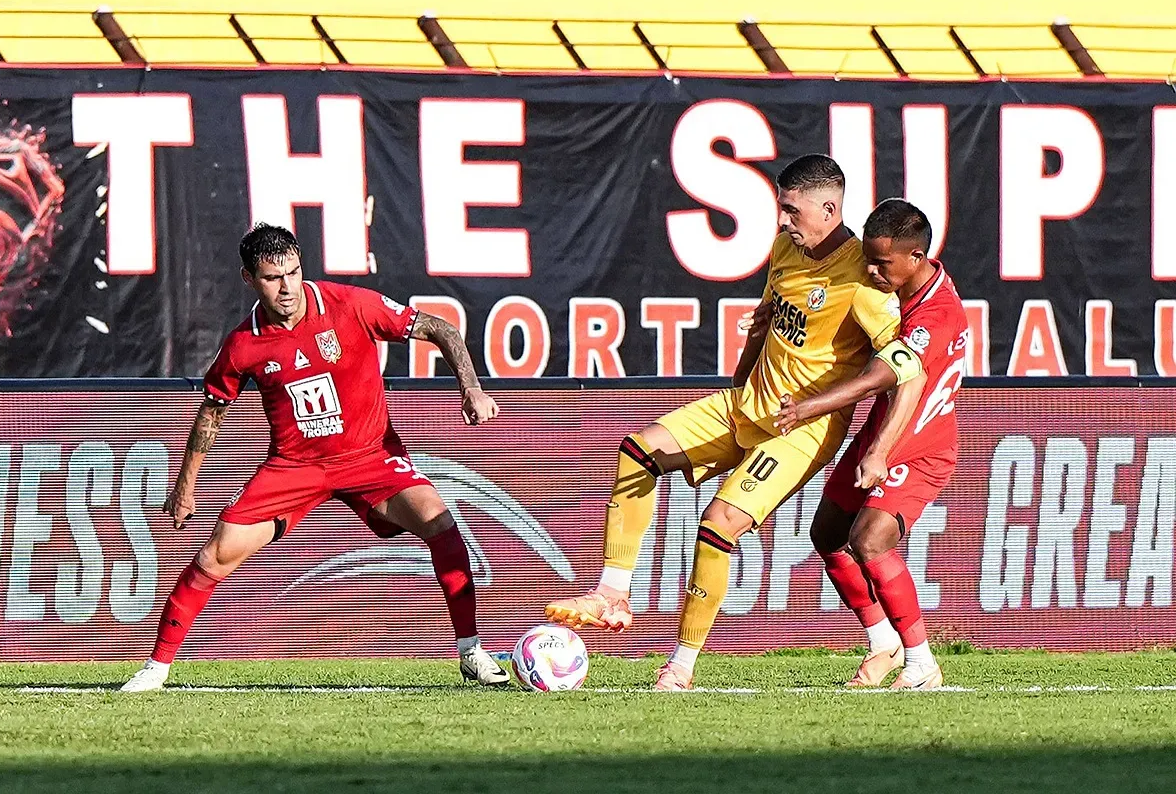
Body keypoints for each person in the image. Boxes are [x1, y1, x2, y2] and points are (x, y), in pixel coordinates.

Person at [545, 155, 902, 690]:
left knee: (716, 527)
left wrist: (867, 439)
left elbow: (896, 366)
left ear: (829, 209)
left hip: (801, 429)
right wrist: (738, 386)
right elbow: (766, 322)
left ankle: (680, 667)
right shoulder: (788, 248)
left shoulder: (863, 279)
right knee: (638, 450)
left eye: (791, 211)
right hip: (747, 402)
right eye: (780, 210)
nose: (782, 222)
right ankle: (612, 593)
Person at [121, 223, 509, 691]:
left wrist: (470, 387)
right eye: (271, 278)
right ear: (249, 279)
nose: (286, 288)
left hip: (369, 457)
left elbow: (440, 328)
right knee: (215, 555)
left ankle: (471, 652)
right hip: (294, 468)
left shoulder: (350, 305)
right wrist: (185, 488)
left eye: (293, 272)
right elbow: (212, 410)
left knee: (440, 525)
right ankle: (156, 668)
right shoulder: (244, 343)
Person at [776, 198, 967, 690]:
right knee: (827, 533)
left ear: (915, 258)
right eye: (868, 258)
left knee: (870, 540)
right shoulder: (904, 293)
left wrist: (812, 407)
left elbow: (890, 373)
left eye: (882, 262)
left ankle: (922, 663)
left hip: (921, 449)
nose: (871, 270)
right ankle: (882, 641)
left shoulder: (936, 317)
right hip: (881, 435)